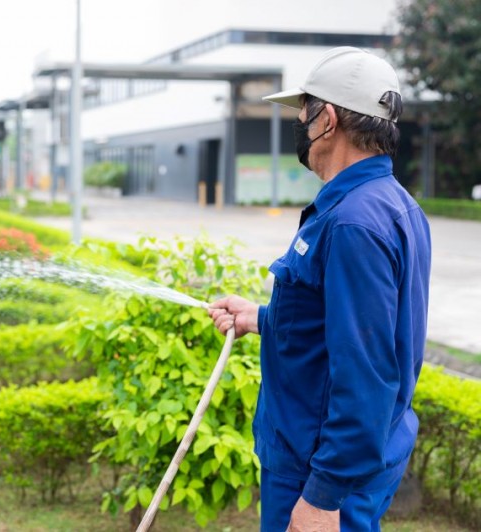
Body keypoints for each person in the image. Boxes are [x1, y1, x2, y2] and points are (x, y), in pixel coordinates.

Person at [208, 47, 431, 531]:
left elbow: (366, 373)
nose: (301, 126)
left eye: (304, 113)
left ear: (327, 119)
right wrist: (260, 317)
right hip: (346, 461)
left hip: (320, 471)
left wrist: (323, 497)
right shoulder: (393, 206)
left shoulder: (352, 223)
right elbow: (341, 324)